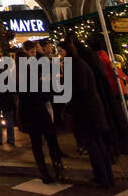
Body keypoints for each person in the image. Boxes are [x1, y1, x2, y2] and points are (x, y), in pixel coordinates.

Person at [63, 39, 113, 187]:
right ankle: (106, 176)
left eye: (60, 51)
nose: (59, 55)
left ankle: (102, 177)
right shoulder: (80, 63)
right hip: (92, 109)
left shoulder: (75, 65)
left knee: (93, 144)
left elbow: (79, 88)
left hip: (86, 110)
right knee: (97, 143)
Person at [18, 41, 64, 183]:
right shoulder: (30, 73)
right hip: (38, 110)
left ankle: (46, 172)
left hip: (30, 112)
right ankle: (56, 169)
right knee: (49, 140)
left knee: (38, 143)